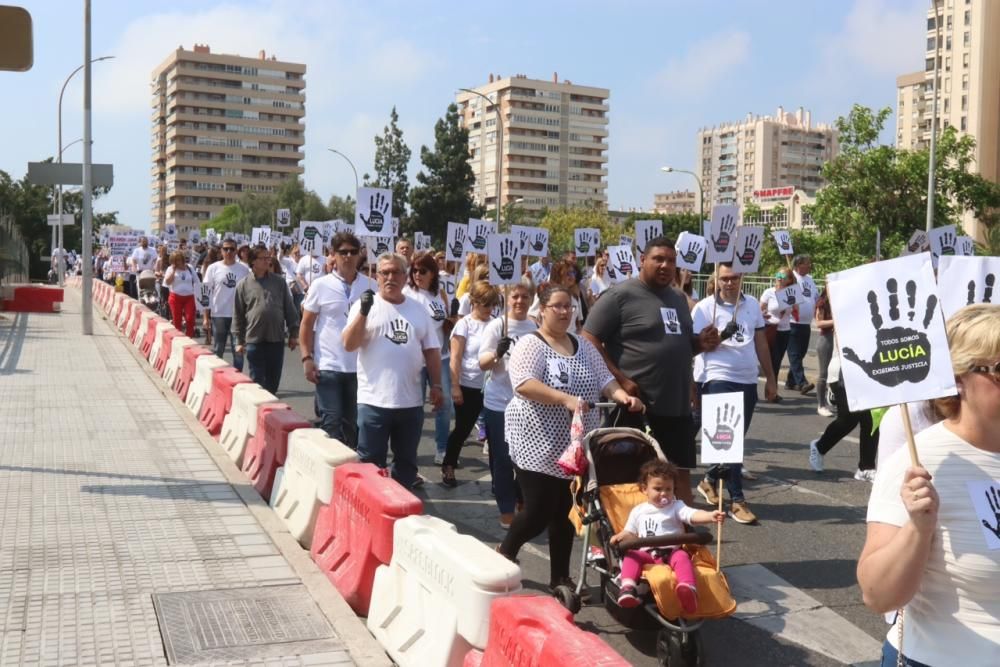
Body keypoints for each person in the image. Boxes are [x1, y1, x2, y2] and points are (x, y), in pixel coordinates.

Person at [858, 304, 1000, 666]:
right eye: (999, 370)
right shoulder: (919, 462)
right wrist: (918, 529)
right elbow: (877, 594)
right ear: (958, 379)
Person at [497, 285, 643, 593]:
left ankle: (560, 577)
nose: (565, 312)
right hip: (536, 440)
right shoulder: (530, 344)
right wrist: (564, 399)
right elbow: (523, 384)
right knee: (538, 510)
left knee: (565, 511)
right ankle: (505, 553)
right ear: (543, 310)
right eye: (558, 306)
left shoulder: (584, 346)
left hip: (577, 442)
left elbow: (604, 379)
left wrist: (621, 396)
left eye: (570, 307)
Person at [584, 237, 720, 505]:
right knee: (628, 477)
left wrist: (699, 344)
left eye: (671, 260)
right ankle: (624, 535)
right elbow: (588, 338)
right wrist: (620, 380)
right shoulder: (619, 296)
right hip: (636, 406)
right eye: (658, 259)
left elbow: (677, 345)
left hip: (676, 405)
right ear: (642, 260)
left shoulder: (678, 299)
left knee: (678, 474)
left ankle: (681, 532)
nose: (665, 265)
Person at [342, 253, 444, 490]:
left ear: (405, 275)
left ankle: (401, 514)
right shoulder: (364, 304)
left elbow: (431, 351)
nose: (390, 277)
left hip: (409, 403)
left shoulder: (418, 310)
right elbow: (348, 344)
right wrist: (363, 313)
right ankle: (371, 516)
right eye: (384, 272)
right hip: (374, 402)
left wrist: (437, 385)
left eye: (396, 272)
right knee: (371, 466)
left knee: (406, 465)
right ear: (376, 276)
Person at [691, 263, 778, 524]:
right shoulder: (705, 308)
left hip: (747, 378)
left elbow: (760, 342)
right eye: (725, 278)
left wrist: (771, 377)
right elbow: (694, 347)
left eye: (735, 278)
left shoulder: (751, 305)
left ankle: (708, 480)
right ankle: (737, 500)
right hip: (716, 377)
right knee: (730, 442)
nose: (730, 283)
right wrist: (716, 337)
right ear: (716, 280)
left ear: (742, 278)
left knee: (734, 439)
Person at [611, 459, 725, 611]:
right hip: (647, 554)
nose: (664, 493)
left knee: (682, 557)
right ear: (645, 489)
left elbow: (693, 515)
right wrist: (620, 536)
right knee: (632, 555)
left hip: (671, 553)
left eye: (668, 489)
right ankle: (628, 587)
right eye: (658, 489)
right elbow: (630, 532)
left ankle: (687, 588)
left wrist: (710, 516)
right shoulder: (638, 511)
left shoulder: (677, 506)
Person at [299, 233, 374, 448]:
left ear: (360, 254)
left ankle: (347, 473)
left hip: (360, 368)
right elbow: (306, 324)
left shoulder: (371, 286)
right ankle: (327, 473)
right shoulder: (321, 285)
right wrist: (306, 358)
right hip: (329, 366)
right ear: (333, 255)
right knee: (331, 422)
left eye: (353, 251)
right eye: (343, 252)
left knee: (352, 425)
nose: (348, 256)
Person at [480, 280, 536, 528]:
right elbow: (482, 363)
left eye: (524, 297)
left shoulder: (535, 326)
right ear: (507, 298)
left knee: (526, 458)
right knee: (502, 458)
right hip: (499, 403)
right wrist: (496, 354)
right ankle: (506, 507)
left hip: (528, 404)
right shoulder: (496, 326)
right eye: (515, 296)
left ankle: (523, 498)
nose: (519, 301)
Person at [441, 281, 500, 487]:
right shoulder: (464, 324)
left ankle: (497, 479)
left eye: (492, 304)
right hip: (469, 385)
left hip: (492, 385)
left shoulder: (497, 323)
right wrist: (455, 386)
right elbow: (455, 357)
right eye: (486, 304)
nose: (489, 309)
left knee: (495, 433)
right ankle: (448, 464)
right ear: (474, 302)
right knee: (463, 429)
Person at [403, 251, 453, 464]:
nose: (417, 275)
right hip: (415, 358)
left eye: (422, 271)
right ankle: (408, 450)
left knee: (445, 403)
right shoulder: (406, 293)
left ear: (433, 273)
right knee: (413, 407)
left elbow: (444, 321)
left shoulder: (439, 294)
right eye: (414, 270)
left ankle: (442, 448)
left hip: (440, 357)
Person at [808, 334, 879, 482]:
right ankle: (820, 446)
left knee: (871, 419)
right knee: (848, 419)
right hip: (843, 372)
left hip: (871, 372)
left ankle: (866, 467)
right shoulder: (848, 316)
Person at [233, 245, 299, 394]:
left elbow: (289, 308)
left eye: (268, 258)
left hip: (276, 339)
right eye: (262, 258)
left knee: (273, 381)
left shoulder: (279, 282)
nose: (267, 261)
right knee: (257, 381)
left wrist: (294, 333)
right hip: (254, 339)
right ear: (253, 261)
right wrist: (239, 341)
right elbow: (238, 314)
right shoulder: (243, 285)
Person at [202, 239, 250, 371]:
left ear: (236, 251)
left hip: (238, 316)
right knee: (219, 349)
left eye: (232, 249)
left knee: (238, 351)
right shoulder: (213, 268)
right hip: (219, 314)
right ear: (221, 251)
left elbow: (249, 292)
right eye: (226, 249)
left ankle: (237, 377)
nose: (229, 252)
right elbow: (206, 293)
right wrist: (206, 317)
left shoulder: (244, 269)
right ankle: (217, 376)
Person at [785, 255, 817, 394]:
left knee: (802, 353)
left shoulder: (810, 279)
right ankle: (802, 382)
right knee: (794, 354)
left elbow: (815, 296)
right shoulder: (790, 276)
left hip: (806, 323)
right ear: (798, 265)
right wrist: (786, 276)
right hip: (792, 322)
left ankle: (790, 381)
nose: (809, 265)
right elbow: (778, 281)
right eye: (807, 263)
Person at [761, 270, 794, 395]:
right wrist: (765, 316)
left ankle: (771, 390)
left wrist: (794, 305)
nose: (779, 278)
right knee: (772, 361)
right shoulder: (769, 292)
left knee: (777, 361)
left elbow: (796, 311)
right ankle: (772, 392)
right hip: (771, 330)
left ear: (789, 280)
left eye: (782, 276)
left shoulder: (791, 293)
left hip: (784, 331)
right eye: (778, 275)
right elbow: (760, 310)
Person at [163, 250, 200, 337]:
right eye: (174, 260)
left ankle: (189, 336)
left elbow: (197, 282)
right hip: (175, 298)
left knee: (190, 318)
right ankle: (178, 338)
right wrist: (173, 271)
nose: (177, 262)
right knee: (177, 320)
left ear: (182, 259)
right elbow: (167, 283)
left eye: (178, 260)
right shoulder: (170, 269)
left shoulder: (190, 268)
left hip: (189, 297)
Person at [813, 287, 835, 417]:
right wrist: (835, 321)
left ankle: (829, 401)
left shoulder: (839, 301)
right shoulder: (822, 303)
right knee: (823, 373)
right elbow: (819, 323)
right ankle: (821, 405)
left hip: (837, 340)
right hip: (825, 340)